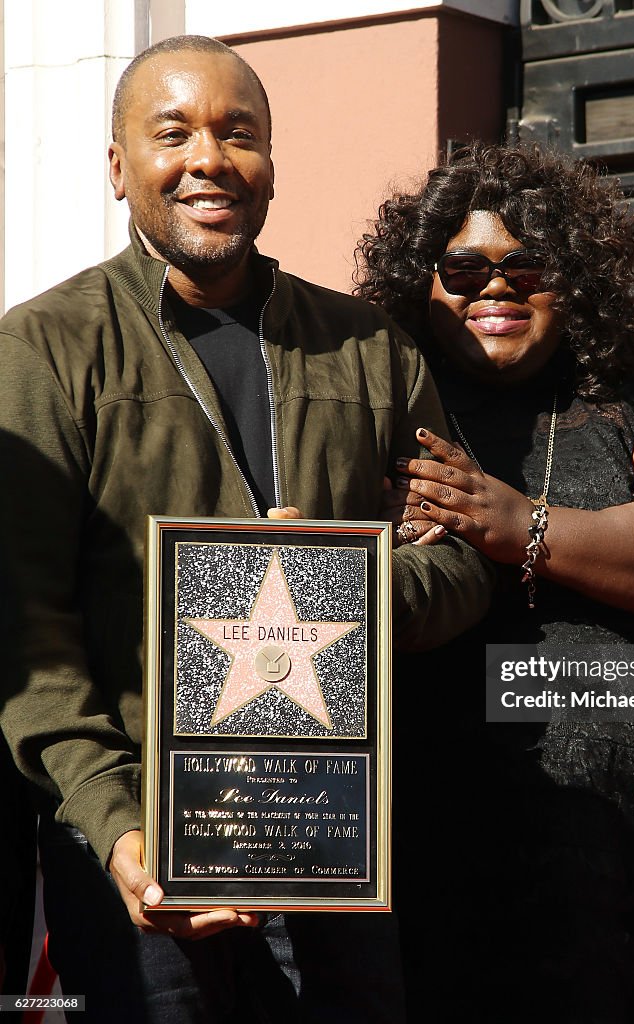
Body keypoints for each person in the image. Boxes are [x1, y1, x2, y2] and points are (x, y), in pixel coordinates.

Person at [0, 35, 492, 1023]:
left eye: (240, 133)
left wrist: (340, 586)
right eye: (172, 133)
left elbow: (464, 565)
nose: (209, 158)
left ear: (271, 164)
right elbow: (27, 621)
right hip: (139, 855)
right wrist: (115, 821)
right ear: (117, 167)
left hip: (332, 842)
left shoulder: (370, 351)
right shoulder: (45, 348)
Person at [355, 143, 634, 1023]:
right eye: (463, 269)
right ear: (419, 282)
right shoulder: (376, 416)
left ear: (571, 280)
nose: (495, 289)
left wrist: (521, 526)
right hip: (433, 877)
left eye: (527, 266)